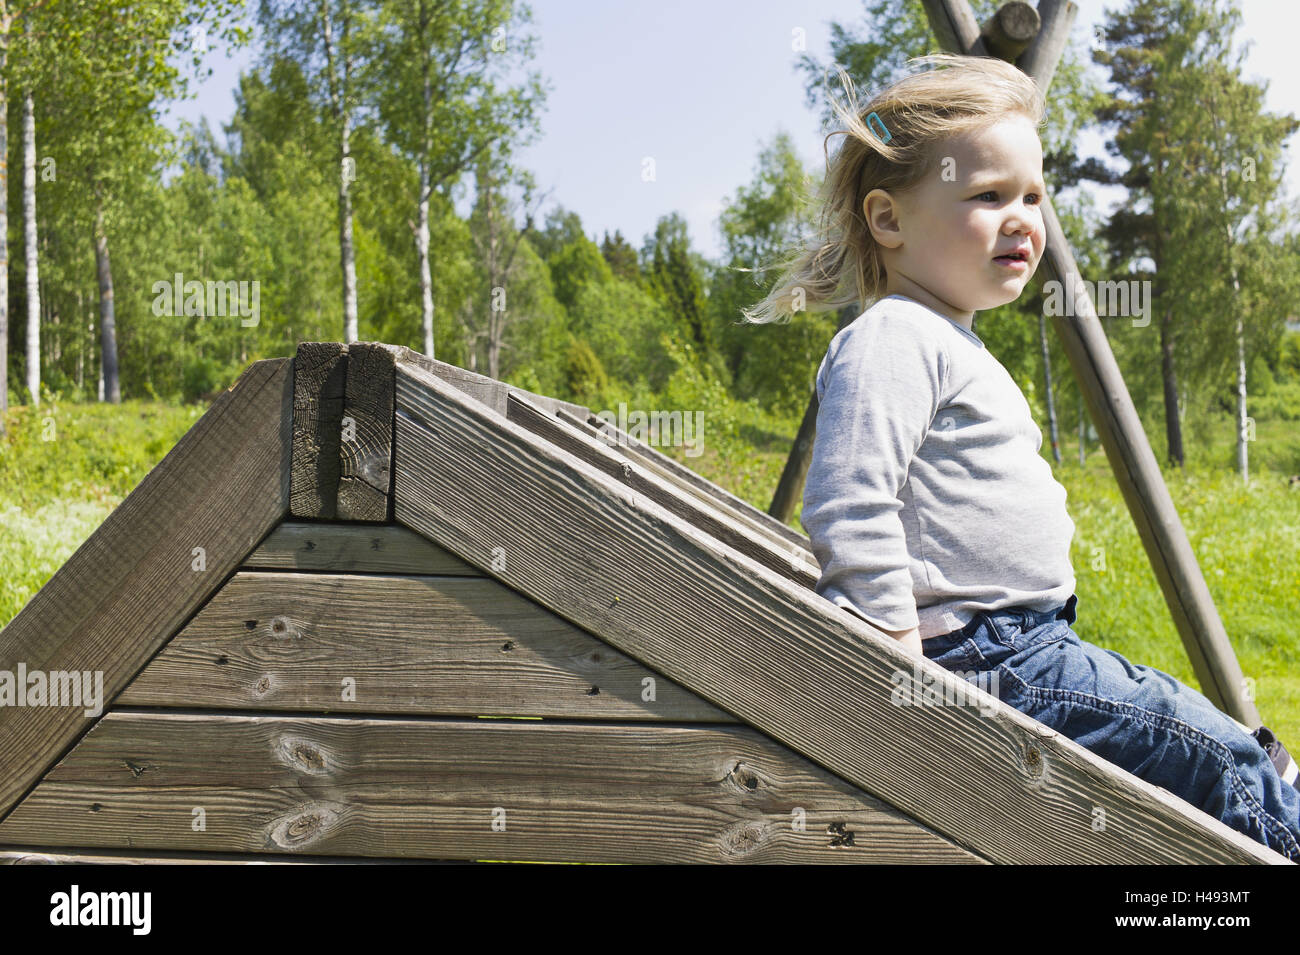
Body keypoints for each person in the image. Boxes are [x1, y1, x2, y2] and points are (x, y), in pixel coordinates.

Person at [741, 53, 1300, 860]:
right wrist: (899, 669)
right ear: (889, 220)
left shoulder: (942, 336)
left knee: (1210, 741)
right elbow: (850, 504)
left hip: (1025, 647)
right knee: (1211, 752)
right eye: (988, 196)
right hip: (979, 656)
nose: (1022, 218)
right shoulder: (892, 338)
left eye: (1033, 195)